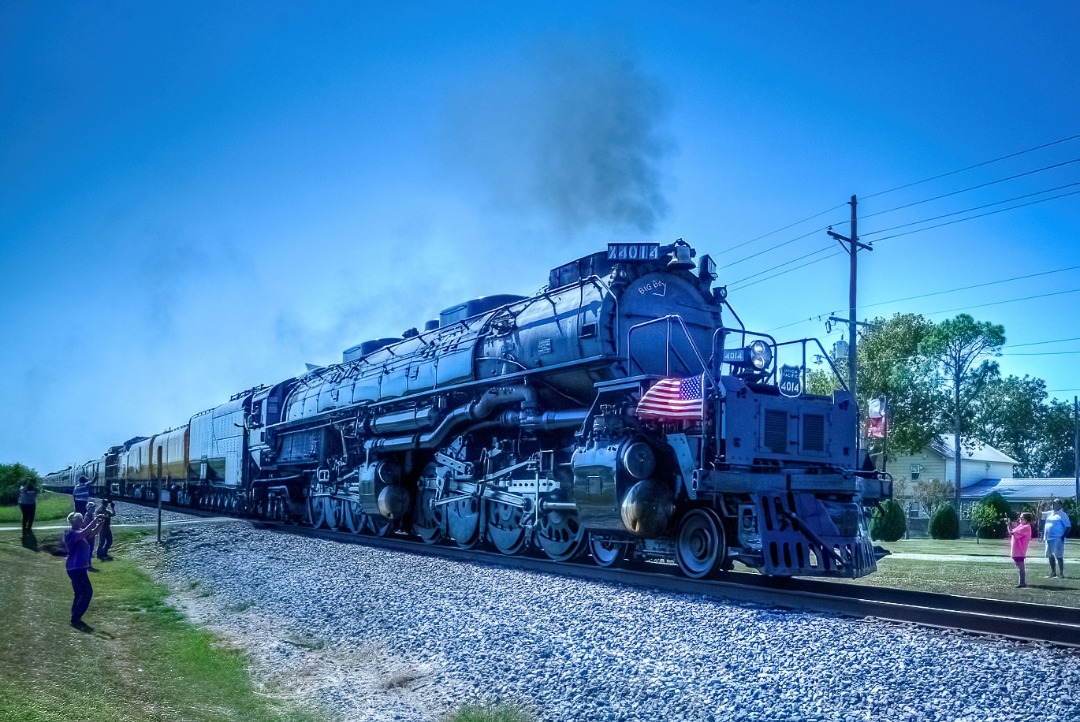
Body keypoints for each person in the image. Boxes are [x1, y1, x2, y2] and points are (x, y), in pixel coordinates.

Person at [63, 511, 104, 629]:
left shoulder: (79, 532)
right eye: (80, 520)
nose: (82, 522)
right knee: (87, 592)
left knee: (79, 592)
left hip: (78, 568)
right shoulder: (70, 533)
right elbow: (84, 532)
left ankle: (74, 615)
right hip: (75, 568)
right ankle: (76, 618)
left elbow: (94, 532)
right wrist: (95, 520)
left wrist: (101, 523)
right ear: (74, 522)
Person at [1043, 499, 1072, 579]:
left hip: (1057, 538)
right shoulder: (1049, 513)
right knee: (1050, 555)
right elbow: (1039, 516)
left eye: (1055, 504)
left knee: (1058, 555)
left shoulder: (1063, 514)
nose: (1053, 505)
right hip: (1048, 537)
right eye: (1053, 504)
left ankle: (1061, 573)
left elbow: (1068, 526)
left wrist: (1063, 537)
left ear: (1060, 505)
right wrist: (1040, 506)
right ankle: (1053, 572)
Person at [1005, 512, 1034, 588]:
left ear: (1027, 520)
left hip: (1020, 550)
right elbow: (1012, 531)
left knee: (1021, 567)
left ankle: (1022, 583)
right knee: (1019, 567)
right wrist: (1008, 524)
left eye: (1022, 519)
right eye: (1020, 518)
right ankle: (1022, 582)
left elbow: (1012, 533)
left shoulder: (1026, 527)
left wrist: (1008, 524)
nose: (1020, 520)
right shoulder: (1021, 526)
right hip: (1016, 550)